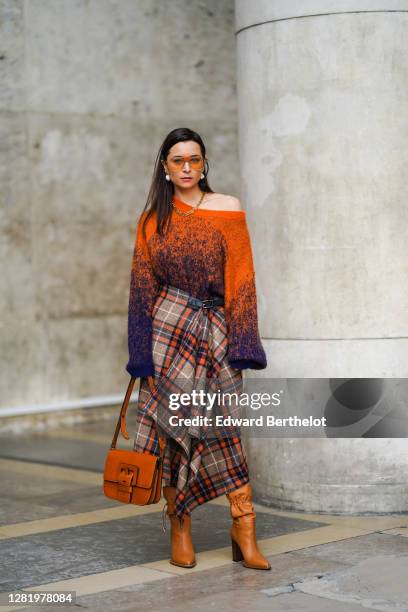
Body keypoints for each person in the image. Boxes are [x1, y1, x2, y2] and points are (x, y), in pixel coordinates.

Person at [126, 126, 271, 571]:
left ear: (204, 162)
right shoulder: (154, 219)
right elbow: (141, 288)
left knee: (224, 426)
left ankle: (243, 528)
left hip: (218, 330)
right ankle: (180, 525)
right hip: (167, 329)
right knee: (173, 432)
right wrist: (140, 353)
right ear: (165, 167)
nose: (187, 167)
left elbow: (242, 277)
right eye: (177, 160)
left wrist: (244, 342)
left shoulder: (228, 208)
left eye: (194, 159)